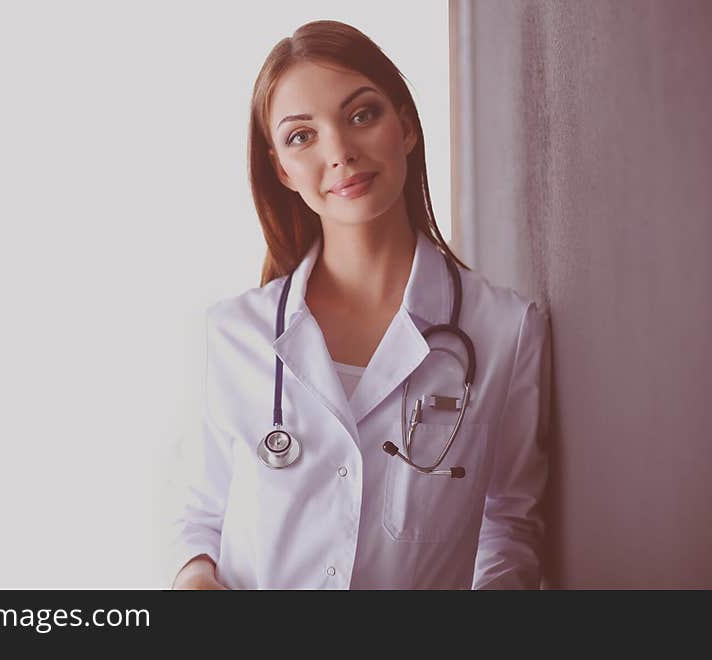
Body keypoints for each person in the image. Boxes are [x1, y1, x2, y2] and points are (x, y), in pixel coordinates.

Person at [168, 20, 551, 590]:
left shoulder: (505, 331)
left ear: (407, 126)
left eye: (361, 115)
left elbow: (510, 525)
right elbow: (200, 518)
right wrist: (194, 583)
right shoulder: (235, 333)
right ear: (281, 168)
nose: (340, 152)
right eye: (302, 136)